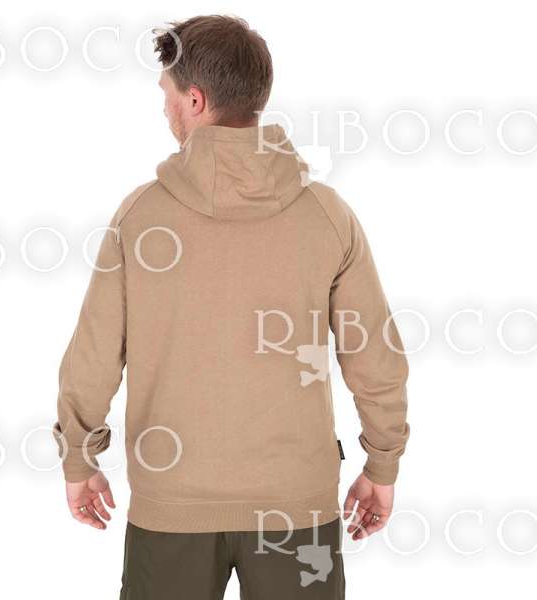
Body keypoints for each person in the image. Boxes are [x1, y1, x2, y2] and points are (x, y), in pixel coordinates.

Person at [53, 14, 410, 600]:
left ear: (194, 100)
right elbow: (375, 357)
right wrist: (382, 464)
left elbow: (94, 355)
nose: (164, 107)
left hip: (172, 506)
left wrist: (78, 457)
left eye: (167, 94)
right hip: (296, 507)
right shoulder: (326, 216)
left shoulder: (141, 218)